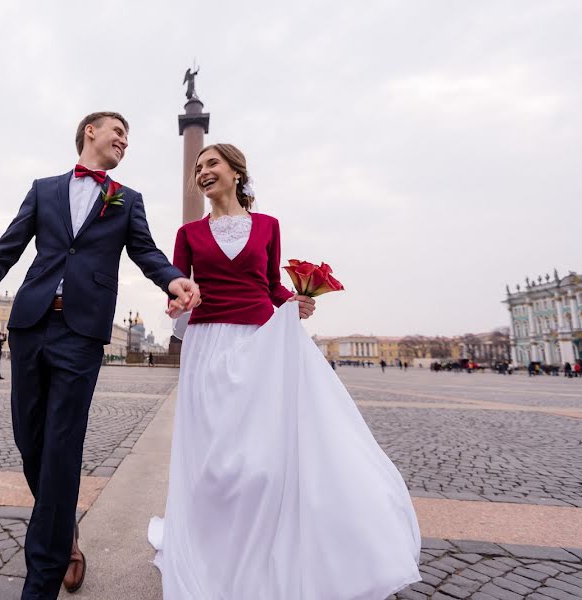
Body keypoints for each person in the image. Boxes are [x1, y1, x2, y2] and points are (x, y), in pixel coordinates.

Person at [148, 144, 420, 599]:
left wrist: (296, 301)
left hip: (262, 342)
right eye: (197, 167)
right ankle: (213, 542)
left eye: (211, 163)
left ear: (237, 172)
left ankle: (264, 543)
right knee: (215, 454)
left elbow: (270, 284)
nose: (202, 172)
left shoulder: (269, 226)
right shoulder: (188, 232)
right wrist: (178, 300)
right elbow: (179, 284)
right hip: (209, 342)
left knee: (260, 454)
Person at [0, 111, 200, 599]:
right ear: (91, 132)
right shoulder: (43, 189)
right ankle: (65, 529)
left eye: (128, 136)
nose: (124, 140)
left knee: (62, 451)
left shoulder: (127, 199)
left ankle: (42, 578)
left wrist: (172, 278)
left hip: (81, 332)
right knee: (31, 442)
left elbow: (146, 252)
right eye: (118, 131)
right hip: (30, 324)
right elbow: (7, 248)